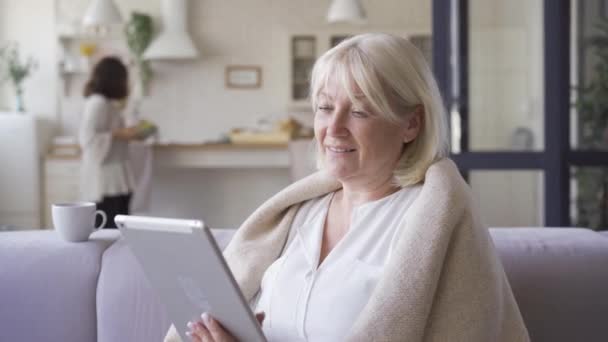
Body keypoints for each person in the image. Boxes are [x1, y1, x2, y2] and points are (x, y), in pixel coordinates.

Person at [166, 33, 529, 341]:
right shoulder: (299, 214)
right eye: (325, 107)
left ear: (411, 124)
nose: (334, 128)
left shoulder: (432, 221)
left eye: (359, 111)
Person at [79, 56, 143, 228]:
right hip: (106, 184)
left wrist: (123, 134)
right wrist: (118, 134)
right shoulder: (98, 103)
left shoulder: (106, 103)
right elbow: (88, 139)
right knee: (110, 235)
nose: (126, 83)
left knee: (118, 234)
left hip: (117, 181)